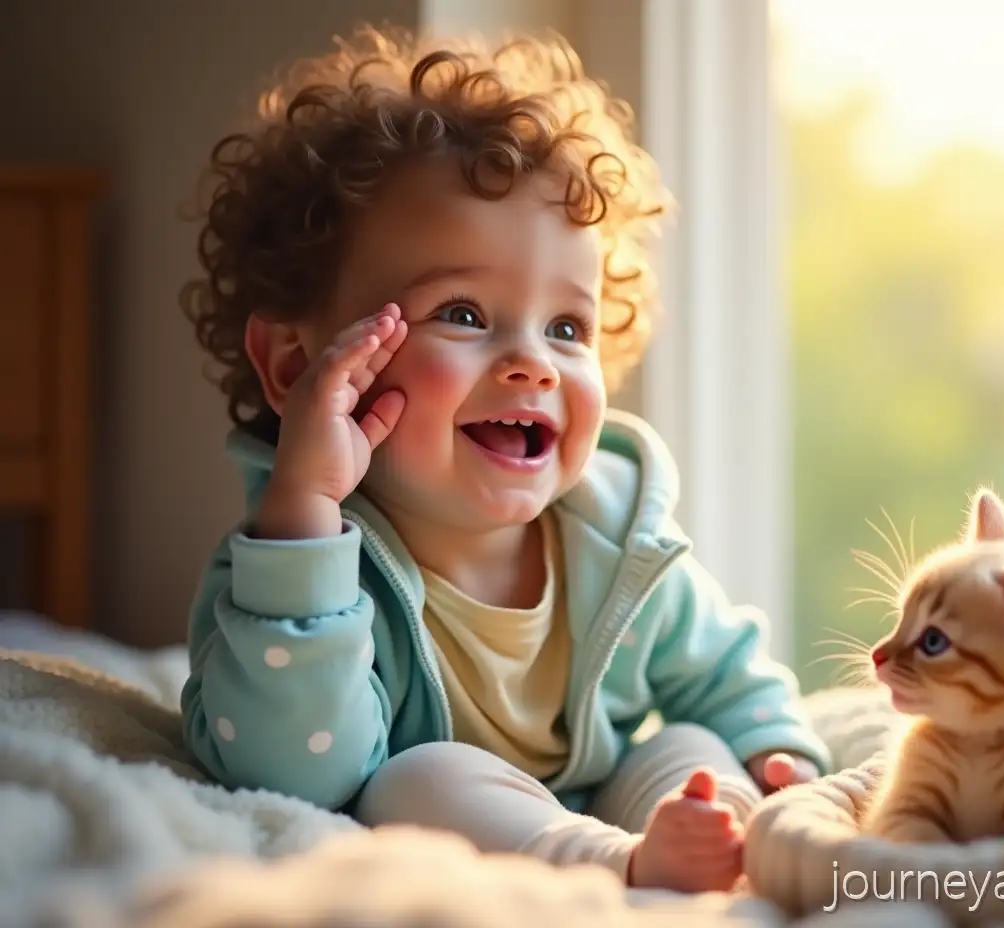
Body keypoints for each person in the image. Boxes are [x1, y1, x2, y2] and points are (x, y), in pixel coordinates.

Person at [178, 24, 831, 893]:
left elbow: (722, 673)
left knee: (689, 746)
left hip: (607, 792)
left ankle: (725, 841)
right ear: (300, 366)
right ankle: (618, 865)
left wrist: (778, 754)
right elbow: (294, 775)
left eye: (566, 327)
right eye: (463, 313)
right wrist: (304, 512)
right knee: (416, 778)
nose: (534, 363)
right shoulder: (290, 574)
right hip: (480, 814)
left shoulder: (614, 533)